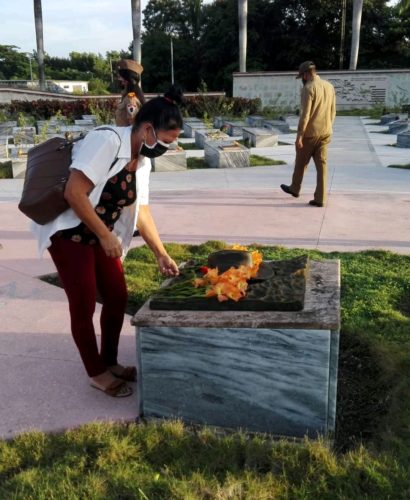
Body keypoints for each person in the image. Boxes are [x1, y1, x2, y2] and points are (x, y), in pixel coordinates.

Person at [31, 86, 184, 397]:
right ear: (147, 128)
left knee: (116, 296)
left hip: (101, 233)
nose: (171, 146)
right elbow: (74, 193)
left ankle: (110, 360)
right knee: (84, 301)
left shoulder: (142, 161)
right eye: (168, 140)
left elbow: (141, 210)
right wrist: (104, 235)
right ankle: (96, 371)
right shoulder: (107, 141)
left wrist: (161, 253)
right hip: (69, 232)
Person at [280, 61, 336, 207]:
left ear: (305, 74)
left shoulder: (308, 88)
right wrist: (328, 126)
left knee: (300, 162)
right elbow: (333, 111)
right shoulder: (329, 86)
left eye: (302, 76)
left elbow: (305, 115)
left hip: (310, 134)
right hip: (326, 132)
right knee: (322, 166)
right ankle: (320, 198)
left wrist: (299, 136)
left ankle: (295, 188)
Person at [115, 59, 145, 126]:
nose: (119, 79)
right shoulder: (126, 96)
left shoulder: (130, 99)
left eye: (121, 76)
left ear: (127, 78)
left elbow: (132, 122)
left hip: (126, 135)